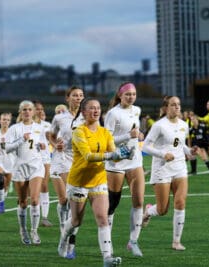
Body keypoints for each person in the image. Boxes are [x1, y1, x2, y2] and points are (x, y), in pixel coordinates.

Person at [57, 98, 134, 267]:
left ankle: (107, 258)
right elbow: (88, 157)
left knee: (103, 218)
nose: (96, 111)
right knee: (76, 221)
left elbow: (113, 154)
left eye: (98, 108)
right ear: (83, 112)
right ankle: (63, 238)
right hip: (78, 182)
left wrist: (125, 154)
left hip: (98, 181)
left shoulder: (106, 133)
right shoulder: (78, 132)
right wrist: (110, 156)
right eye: (91, 108)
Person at [142, 96, 198, 251]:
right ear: (166, 108)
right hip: (162, 168)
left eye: (179, 104)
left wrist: (190, 151)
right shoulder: (159, 126)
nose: (177, 107)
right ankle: (148, 211)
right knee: (162, 210)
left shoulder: (183, 125)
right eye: (173, 105)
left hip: (180, 167)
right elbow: (145, 147)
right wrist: (162, 154)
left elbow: (180, 145)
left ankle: (176, 241)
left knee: (180, 202)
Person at [103, 82, 145, 257]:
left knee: (139, 202)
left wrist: (139, 135)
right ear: (120, 95)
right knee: (112, 205)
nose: (131, 97)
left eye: (133, 94)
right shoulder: (113, 114)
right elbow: (107, 141)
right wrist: (129, 136)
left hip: (135, 161)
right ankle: (107, 244)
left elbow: (135, 131)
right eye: (128, 94)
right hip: (116, 164)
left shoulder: (137, 110)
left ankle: (133, 242)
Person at [5, 100, 48, 245]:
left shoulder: (39, 128)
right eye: (24, 110)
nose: (27, 112)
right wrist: (21, 140)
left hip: (36, 167)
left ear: (34, 112)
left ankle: (34, 231)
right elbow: (8, 148)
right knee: (23, 202)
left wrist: (43, 146)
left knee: (35, 200)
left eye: (29, 109)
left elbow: (43, 145)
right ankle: (23, 230)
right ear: (20, 112)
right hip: (20, 168)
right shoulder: (14, 129)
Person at [49, 86, 85, 259]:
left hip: (80, 161)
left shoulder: (88, 117)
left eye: (80, 96)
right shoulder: (59, 117)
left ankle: (69, 239)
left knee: (74, 202)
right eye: (74, 95)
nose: (78, 98)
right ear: (67, 98)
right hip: (62, 159)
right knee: (69, 199)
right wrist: (56, 145)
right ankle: (66, 234)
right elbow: (50, 135)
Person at [34, 101, 53, 227]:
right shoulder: (28, 126)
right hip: (32, 159)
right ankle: (32, 215)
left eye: (41, 109)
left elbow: (53, 139)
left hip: (45, 158)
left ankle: (44, 217)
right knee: (33, 189)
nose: (40, 111)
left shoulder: (48, 125)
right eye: (37, 109)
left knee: (44, 186)